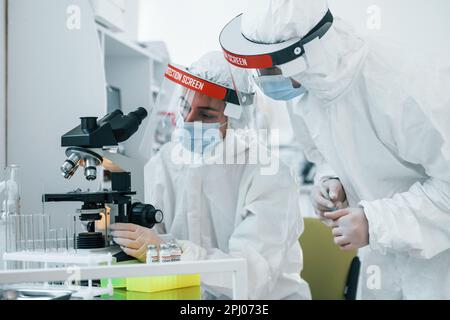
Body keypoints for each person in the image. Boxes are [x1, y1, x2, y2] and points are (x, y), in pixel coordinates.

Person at [219, 0, 450, 299]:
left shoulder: (398, 82)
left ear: (306, 54)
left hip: (439, 267)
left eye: (269, 68)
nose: (265, 80)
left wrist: (375, 221)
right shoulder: (305, 90)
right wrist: (330, 181)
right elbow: (323, 155)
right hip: (380, 258)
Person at [110, 51, 311, 300]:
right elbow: (152, 238)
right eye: (185, 108)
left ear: (236, 120)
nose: (189, 121)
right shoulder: (164, 162)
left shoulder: (269, 174)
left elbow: (249, 279)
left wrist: (168, 252)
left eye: (205, 115)